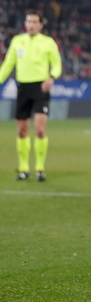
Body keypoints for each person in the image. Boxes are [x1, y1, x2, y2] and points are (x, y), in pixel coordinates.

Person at [0, 10, 62, 182]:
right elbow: (7, 65)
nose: (31, 25)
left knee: (40, 130)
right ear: (25, 23)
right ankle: (23, 169)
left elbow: (57, 64)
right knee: (22, 130)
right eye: (28, 21)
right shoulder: (17, 41)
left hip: (40, 87)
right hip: (23, 88)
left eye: (35, 22)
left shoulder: (48, 43)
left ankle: (40, 168)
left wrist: (52, 77)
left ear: (41, 25)